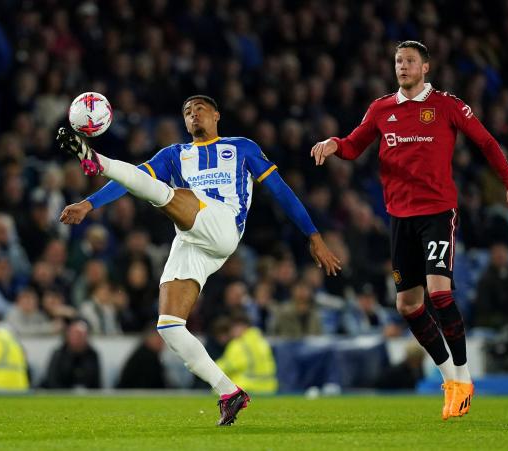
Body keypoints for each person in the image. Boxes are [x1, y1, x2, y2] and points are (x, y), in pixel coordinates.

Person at [57, 94, 341, 426]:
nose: (194, 116)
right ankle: (229, 392)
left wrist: (314, 235)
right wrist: (89, 205)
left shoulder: (242, 147)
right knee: (169, 327)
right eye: (188, 112)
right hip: (192, 238)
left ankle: (97, 160)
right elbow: (132, 181)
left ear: (217, 115)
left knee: (165, 195)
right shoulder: (175, 155)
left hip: (223, 225)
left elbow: (280, 191)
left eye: (200, 110)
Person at [310, 40, 508, 420]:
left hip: (437, 213)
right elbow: (353, 145)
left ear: (425, 68)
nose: (403, 66)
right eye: (398, 61)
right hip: (400, 218)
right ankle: (448, 378)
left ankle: (464, 377)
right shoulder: (382, 109)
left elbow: (487, 143)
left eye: (410, 61)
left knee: (439, 293)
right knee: (407, 305)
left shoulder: (447, 105)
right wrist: (333, 143)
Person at [216, 313, 277, 394]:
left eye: (232, 328)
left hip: (248, 386)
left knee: (217, 390)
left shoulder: (238, 344)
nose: (231, 332)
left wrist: (211, 366)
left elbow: (229, 366)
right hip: (269, 387)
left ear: (241, 327)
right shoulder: (261, 341)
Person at [43, 319, 101, 389]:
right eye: (74, 334)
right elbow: (52, 380)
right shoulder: (59, 354)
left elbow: (96, 382)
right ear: (68, 335)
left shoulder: (92, 355)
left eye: (80, 335)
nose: (77, 338)